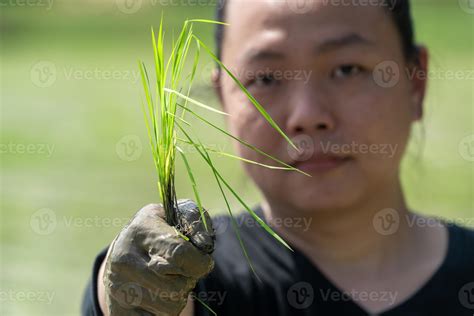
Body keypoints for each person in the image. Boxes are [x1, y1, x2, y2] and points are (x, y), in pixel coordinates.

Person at [82, 0, 474, 315]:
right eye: (266, 78)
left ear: (415, 83)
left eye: (347, 69)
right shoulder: (193, 279)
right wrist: (132, 289)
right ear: (223, 98)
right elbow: (132, 296)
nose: (307, 116)